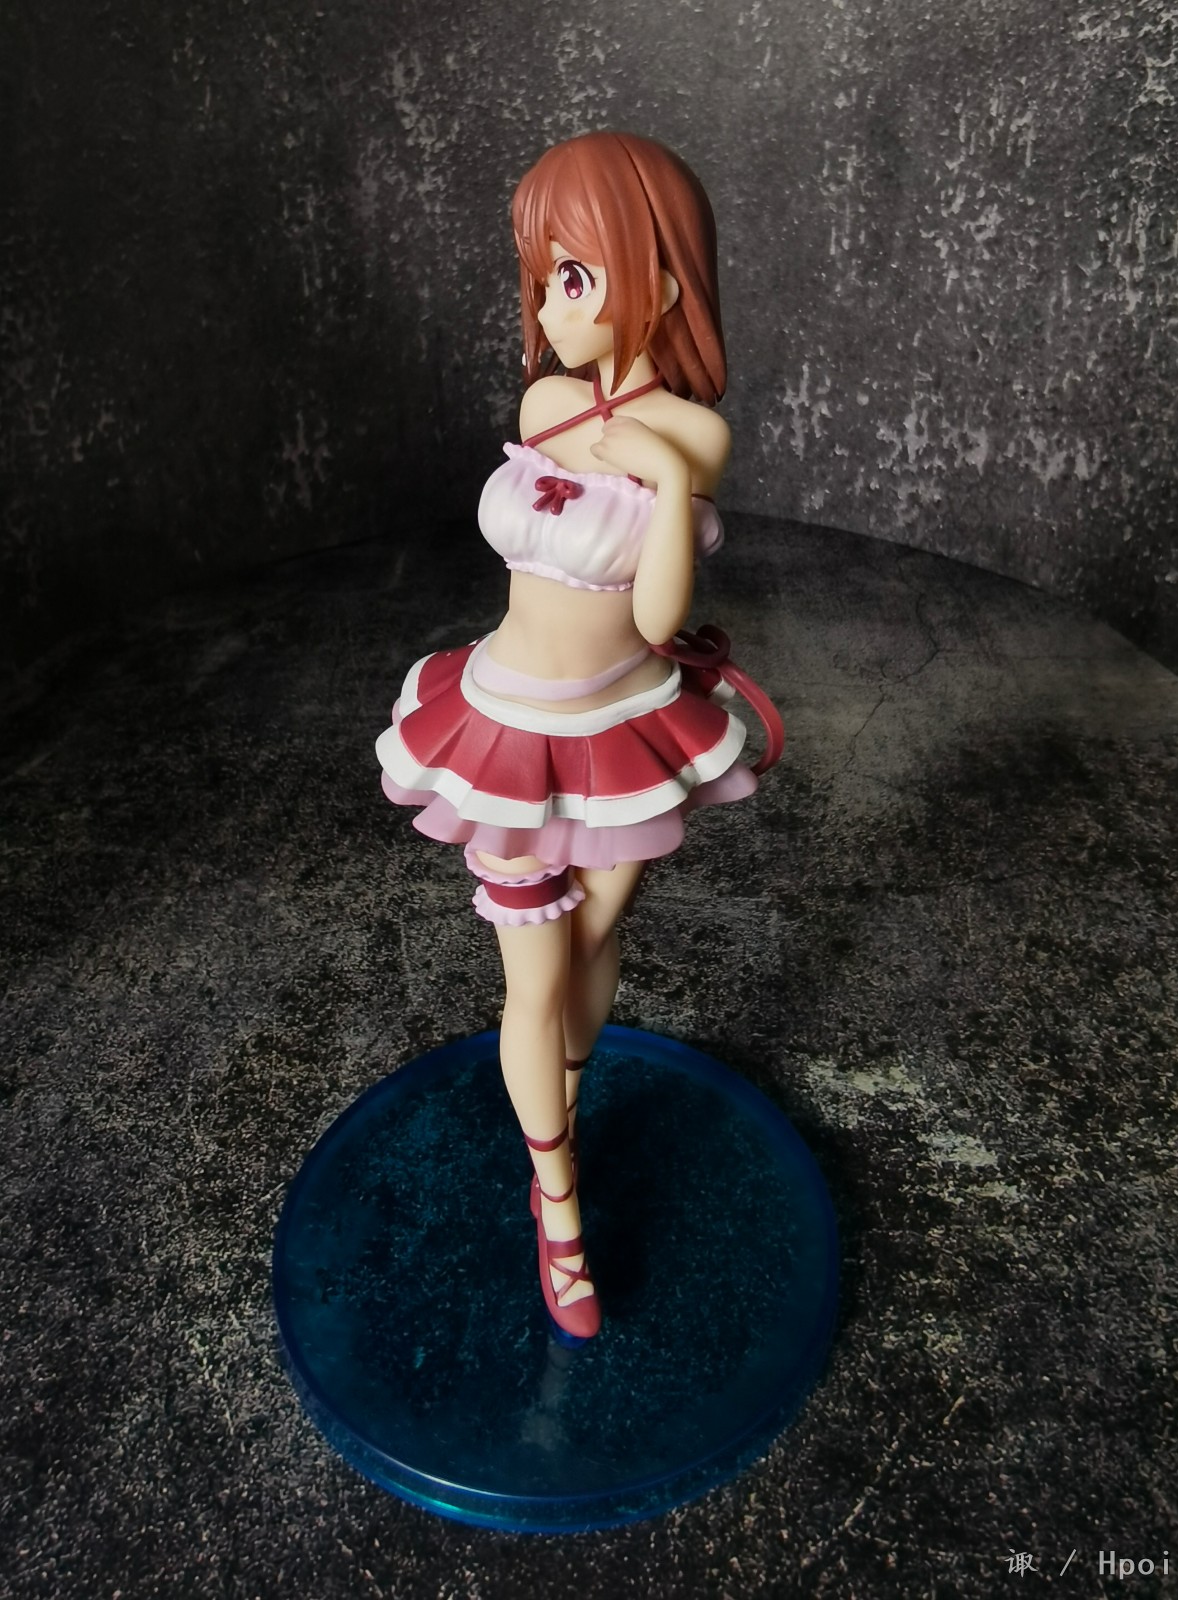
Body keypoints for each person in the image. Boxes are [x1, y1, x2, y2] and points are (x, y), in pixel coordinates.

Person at [376, 131, 775, 1341]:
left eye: (577, 274)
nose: (549, 305)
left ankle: (559, 1100)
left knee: (592, 951)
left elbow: (655, 617)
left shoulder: (695, 436)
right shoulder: (545, 403)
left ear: (661, 277)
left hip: (624, 734)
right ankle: (560, 1210)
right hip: (507, 726)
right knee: (536, 976)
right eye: (542, 275)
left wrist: (658, 470)